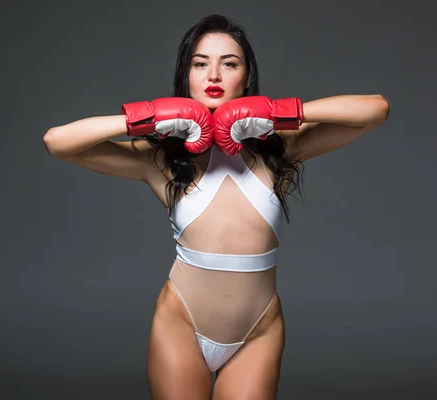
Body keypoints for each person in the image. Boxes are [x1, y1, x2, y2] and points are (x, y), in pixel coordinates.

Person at [43, 14, 389, 400]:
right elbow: (58, 142)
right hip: (181, 325)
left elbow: (376, 110)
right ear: (186, 75)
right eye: (200, 63)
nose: (214, 76)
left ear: (246, 76)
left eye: (230, 63)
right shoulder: (159, 158)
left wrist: (278, 113)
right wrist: (147, 118)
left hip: (257, 331)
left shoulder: (280, 148)